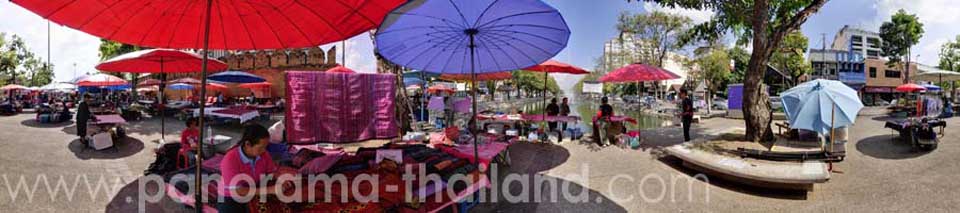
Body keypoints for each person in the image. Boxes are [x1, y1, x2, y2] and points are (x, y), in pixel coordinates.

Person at [217, 124, 295, 212]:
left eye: (266, 147)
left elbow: (271, 172)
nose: (264, 150)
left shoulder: (264, 154)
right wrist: (270, 190)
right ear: (247, 144)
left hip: (255, 188)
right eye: (261, 147)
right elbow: (238, 191)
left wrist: (281, 179)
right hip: (231, 197)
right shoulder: (230, 159)